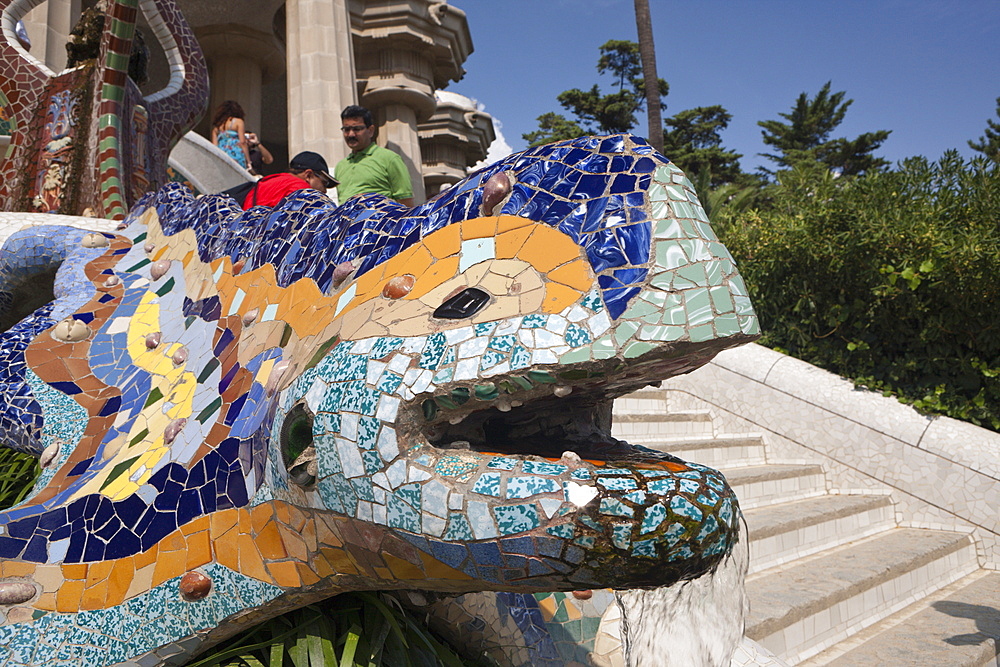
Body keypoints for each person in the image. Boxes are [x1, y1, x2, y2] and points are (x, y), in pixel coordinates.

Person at [334, 105, 413, 206]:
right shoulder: (340, 166)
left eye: (357, 129)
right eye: (346, 129)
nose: (351, 134)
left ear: (370, 130)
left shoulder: (390, 159)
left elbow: (406, 202)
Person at [220, 151, 336, 210]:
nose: (325, 191)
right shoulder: (299, 186)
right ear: (308, 175)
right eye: (324, 183)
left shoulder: (272, 181)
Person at [211, 100, 250, 170]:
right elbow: (242, 142)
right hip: (236, 154)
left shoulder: (217, 127)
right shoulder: (239, 122)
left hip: (222, 155)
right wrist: (248, 161)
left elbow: (214, 146)